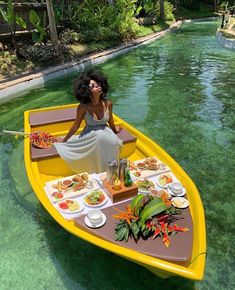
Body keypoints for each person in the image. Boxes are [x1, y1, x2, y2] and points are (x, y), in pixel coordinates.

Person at [54, 70, 123, 174]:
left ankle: (110, 170)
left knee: (112, 142)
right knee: (99, 138)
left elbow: (111, 120)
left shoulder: (108, 103)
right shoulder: (83, 107)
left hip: (106, 132)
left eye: (98, 84)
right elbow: (75, 126)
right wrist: (64, 140)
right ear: (87, 91)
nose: (98, 86)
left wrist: (114, 130)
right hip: (90, 134)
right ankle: (99, 171)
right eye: (93, 86)